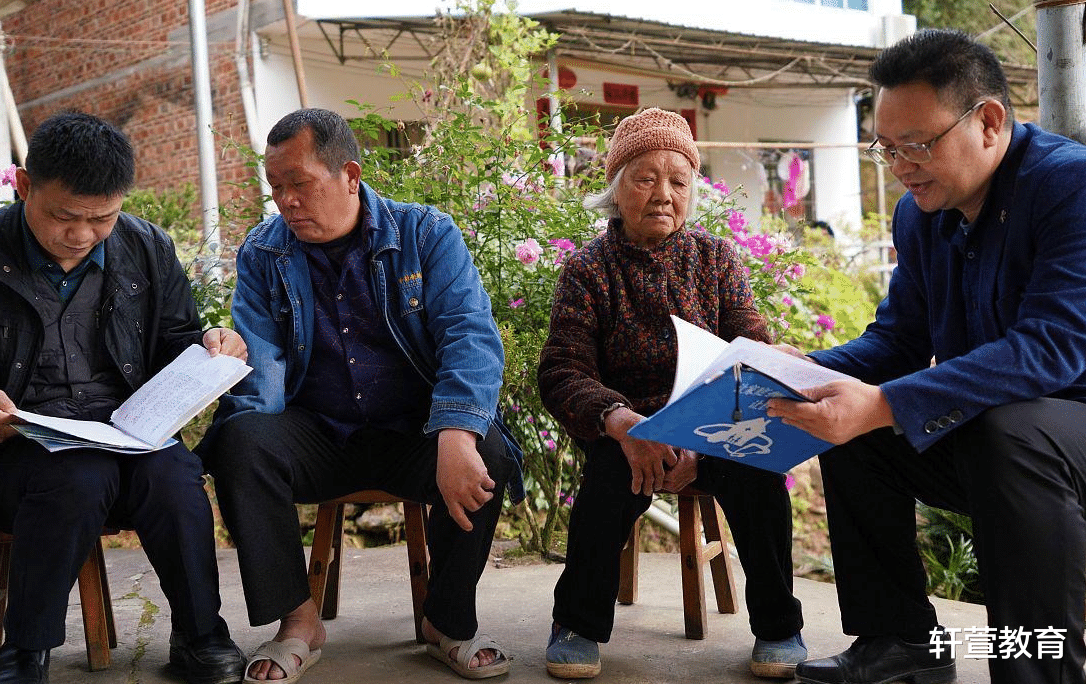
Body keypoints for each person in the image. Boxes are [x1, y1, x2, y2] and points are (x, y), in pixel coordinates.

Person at [766, 29, 1086, 684]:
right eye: (886, 149)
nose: (900, 166)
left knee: (1003, 429)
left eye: (916, 144)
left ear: (988, 122)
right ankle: (901, 643)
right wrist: (806, 369)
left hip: (1059, 439)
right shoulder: (920, 216)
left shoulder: (1070, 187)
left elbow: (1053, 347)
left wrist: (885, 402)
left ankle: (1043, 674)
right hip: (999, 440)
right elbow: (899, 342)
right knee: (853, 428)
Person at [200, 108, 523, 683]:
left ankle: (446, 622)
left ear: (349, 175)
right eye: (275, 187)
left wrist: (456, 430)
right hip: (319, 435)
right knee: (241, 440)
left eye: (300, 184)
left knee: (487, 451)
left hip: (413, 432)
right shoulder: (264, 252)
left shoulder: (426, 235)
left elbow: (470, 335)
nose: (286, 202)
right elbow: (262, 374)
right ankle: (299, 622)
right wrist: (231, 446)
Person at [537, 107, 806, 680]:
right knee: (608, 482)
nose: (663, 194)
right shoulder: (589, 269)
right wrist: (621, 421)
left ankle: (780, 626)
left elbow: (751, 350)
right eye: (645, 178)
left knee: (760, 477)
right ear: (617, 188)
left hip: (714, 427)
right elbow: (563, 370)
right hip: (628, 432)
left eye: (678, 181)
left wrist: (705, 437)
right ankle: (577, 623)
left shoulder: (716, 260)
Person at [0, 112, 248, 684]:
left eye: (102, 218)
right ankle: (25, 649)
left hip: (126, 434)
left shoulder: (146, 247)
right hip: (20, 449)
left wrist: (211, 345)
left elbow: (176, 340)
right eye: (64, 217)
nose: (82, 235)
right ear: (26, 186)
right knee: (77, 477)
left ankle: (200, 635)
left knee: (176, 477)